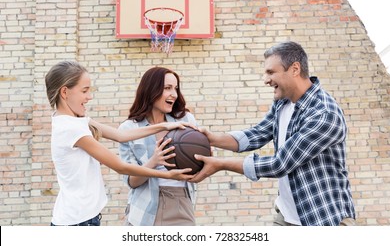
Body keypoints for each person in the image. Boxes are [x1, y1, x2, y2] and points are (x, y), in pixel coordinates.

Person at [191, 41, 356, 226]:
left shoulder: (323, 113)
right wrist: (212, 139)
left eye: (271, 72)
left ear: (294, 69)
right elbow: (257, 134)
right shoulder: (283, 102)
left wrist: (220, 164)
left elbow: (280, 164)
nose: (265, 79)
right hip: (286, 216)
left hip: (322, 218)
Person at [45, 61, 194, 226]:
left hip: (83, 217)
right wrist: (167, 175)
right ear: (65, 92)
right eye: (84, 91)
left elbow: (120, 135)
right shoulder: (70, 129)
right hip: (75, 222)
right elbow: (119, 166)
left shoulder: (76, 121)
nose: (89, 96)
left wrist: (163, 125)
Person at [119, 67, 198, 226]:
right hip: (145, 206)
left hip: (181, 201)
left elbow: (199, 165)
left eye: (175, 88)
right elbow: (131, 181)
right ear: (150, 90)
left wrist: (202, 158)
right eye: (167, 88)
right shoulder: (129, 129)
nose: (174, 94)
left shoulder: (185, 120)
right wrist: (153, 161)